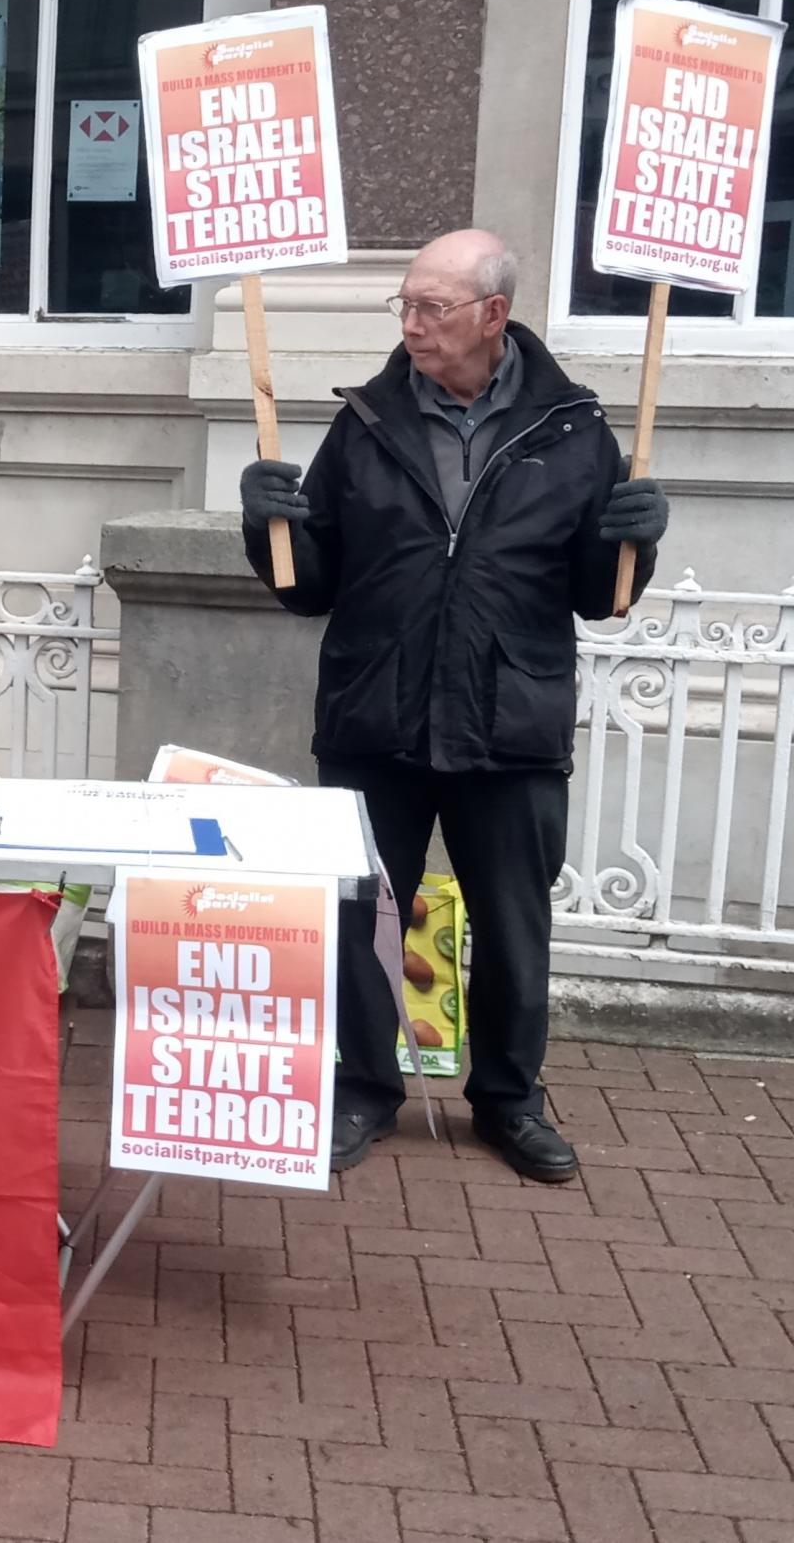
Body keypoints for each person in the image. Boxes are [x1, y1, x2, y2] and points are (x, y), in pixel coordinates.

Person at [240, 228, 669, 1184]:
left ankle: (511, 1099)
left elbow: (601, 595)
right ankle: (363, 1087)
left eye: (431, 307)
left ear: (492, 316)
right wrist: (264, 516)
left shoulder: (573, 428)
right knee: (361, 914)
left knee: (513, 925)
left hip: (508, 720)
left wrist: (637, 538)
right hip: (374, 714)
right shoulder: (366, 422)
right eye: (405, 304)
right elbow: (308, 584)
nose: (412, 324)